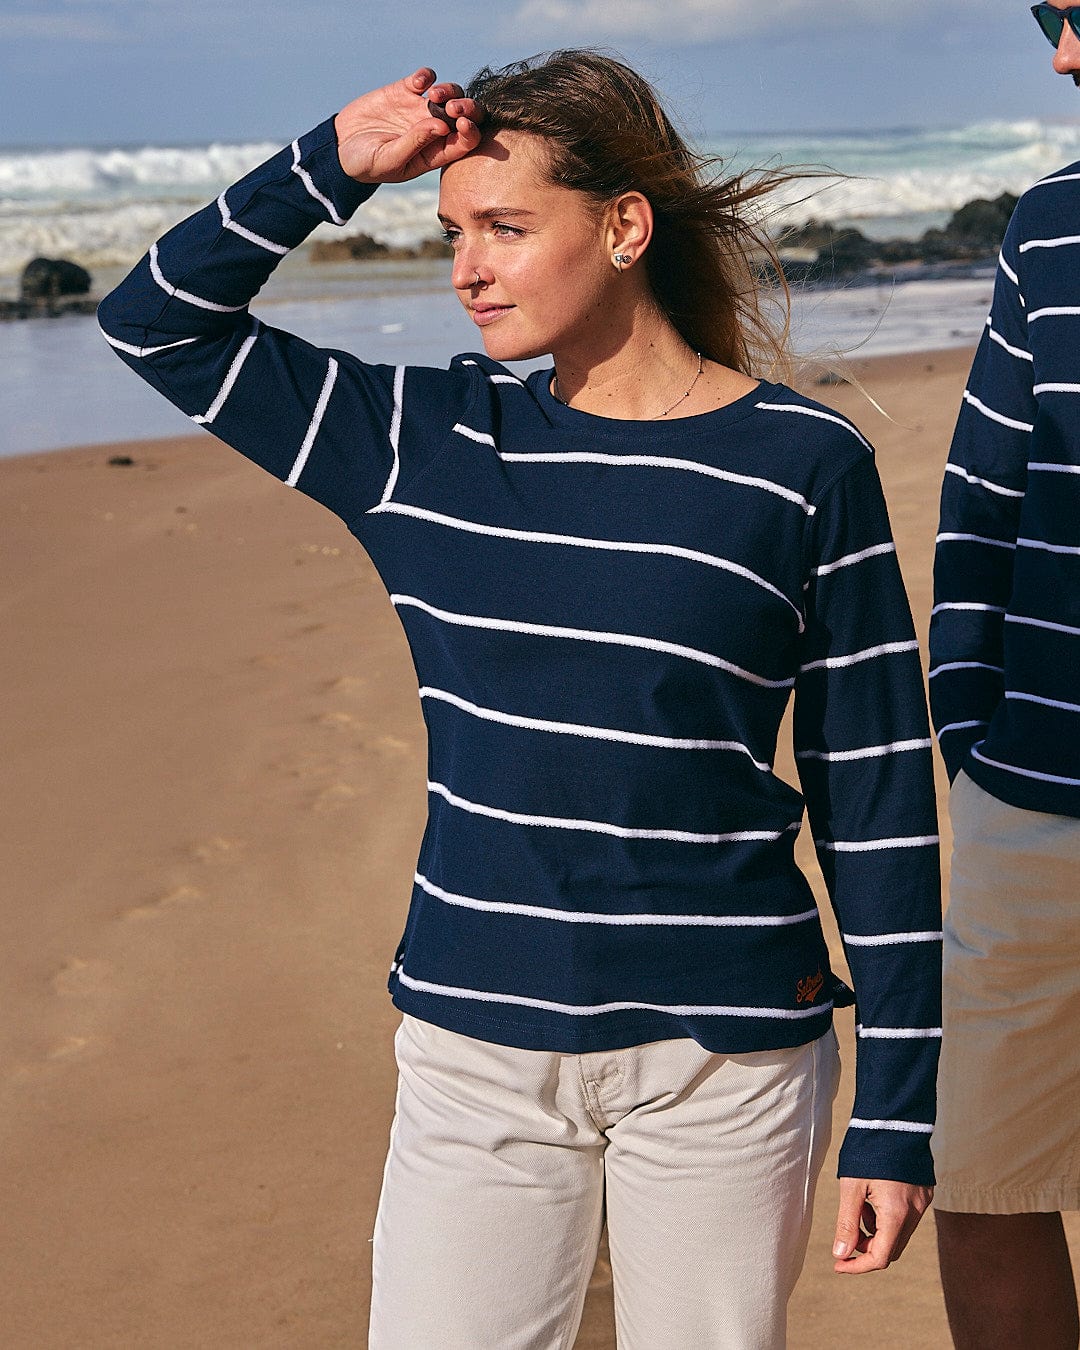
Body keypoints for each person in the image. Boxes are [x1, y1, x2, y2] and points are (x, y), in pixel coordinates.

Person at [98, 52, 941, 1349]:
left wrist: (899, 1101)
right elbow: (154, 320)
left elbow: (875, 793)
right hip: (475, 1051)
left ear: (622, 227)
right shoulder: (423, 443)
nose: (466, 268)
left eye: (504, 227)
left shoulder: (802, 468)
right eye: (449, 233)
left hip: (727, 1060)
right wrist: (328, 161)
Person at [929, 8, 1080, 1348]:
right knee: (980, 1180)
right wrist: (968, 733)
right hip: (1029, 797)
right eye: (1050, 18)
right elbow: (982, 496)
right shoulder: (1048, 228)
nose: (1064, 57)